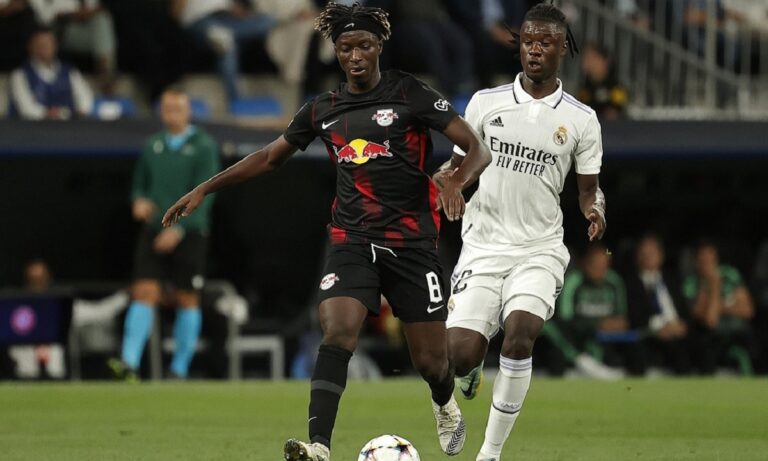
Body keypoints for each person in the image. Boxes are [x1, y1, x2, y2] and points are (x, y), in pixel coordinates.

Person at [162, 3, 491, 459]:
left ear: (379, 45)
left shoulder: (409, 93)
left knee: (433, 363)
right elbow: (269, 157)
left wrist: (456, 181)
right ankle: (319, 446)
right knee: (337, 332)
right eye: (345, 48)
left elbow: (477, 148)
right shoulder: (323, 109)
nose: (354, 56)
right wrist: (205, 187)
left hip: (412, 243)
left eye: (363, 46)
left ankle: (444, 399)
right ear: (336, 51)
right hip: (352, 240)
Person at [435, 3, 606, 460]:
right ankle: (470, 370)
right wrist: (448, 183)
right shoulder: (485, 103)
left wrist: (596, 211)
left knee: (521, 332)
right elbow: (456, 166)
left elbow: (589, 190)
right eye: (528, 40)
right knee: (460, 355)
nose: (534, 49)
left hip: (539, 248)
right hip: (483, 245)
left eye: (545, 42)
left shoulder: (582, 119)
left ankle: (489, 453)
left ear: (563, 48)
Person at [108, 88, 220, 381]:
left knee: (186, 297)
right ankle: (129, 363)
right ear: (161, 111)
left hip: (190, 232)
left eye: (178, 109)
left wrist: (181, 228)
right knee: (144, 290)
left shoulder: (203, 146)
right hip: (155, 229)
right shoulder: (153, 145)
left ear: (188, 111)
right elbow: (139, 184)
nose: (172, 115)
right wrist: (139, 200)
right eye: (168, 109)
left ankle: (179, 369)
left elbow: (207, 194)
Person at [683, 240, 755, 374]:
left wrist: (718, 307)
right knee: (705, 344)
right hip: (710, 335)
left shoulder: (731, 274)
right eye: (703, 261)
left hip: (737, 332)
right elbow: (711, 320)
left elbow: (748, 310)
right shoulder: (690, 283)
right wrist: (714, 285)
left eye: (711, 259)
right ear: (696, 262)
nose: (708, 264)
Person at [625, 234, 691, 374]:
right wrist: (658, 328)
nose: (647, 257)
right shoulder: (630, 284)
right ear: (637, 257)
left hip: (677, 331)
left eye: (651, 253)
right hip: (649, 333)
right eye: (643, 254)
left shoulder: (673, 281)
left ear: (661, 256)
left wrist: (682, 325)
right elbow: (634, 316)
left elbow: (685, 311)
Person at [9, 27, 93, 120]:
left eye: (48, 44)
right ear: (30, 47)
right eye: (39, 45)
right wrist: (52, 113)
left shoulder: (70, 71)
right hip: (31, 127)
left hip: (68, 125)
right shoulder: (20, 74)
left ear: (55, 46)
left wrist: (78, 112)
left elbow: (85, 99)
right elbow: (27, 109)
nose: (44, 48)